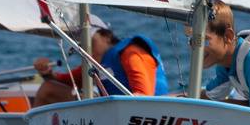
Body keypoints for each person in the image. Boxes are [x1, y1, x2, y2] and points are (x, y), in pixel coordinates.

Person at [32, 26, 169, 106]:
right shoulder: (96, 64)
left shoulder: (131, 53)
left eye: (90, 41)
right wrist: (47, 72)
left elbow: (144, 96)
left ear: (106, 37)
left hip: (149, 116)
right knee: (48, 88)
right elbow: (63, 81)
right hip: (116, 113)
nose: (86, 48)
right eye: (81, 45)